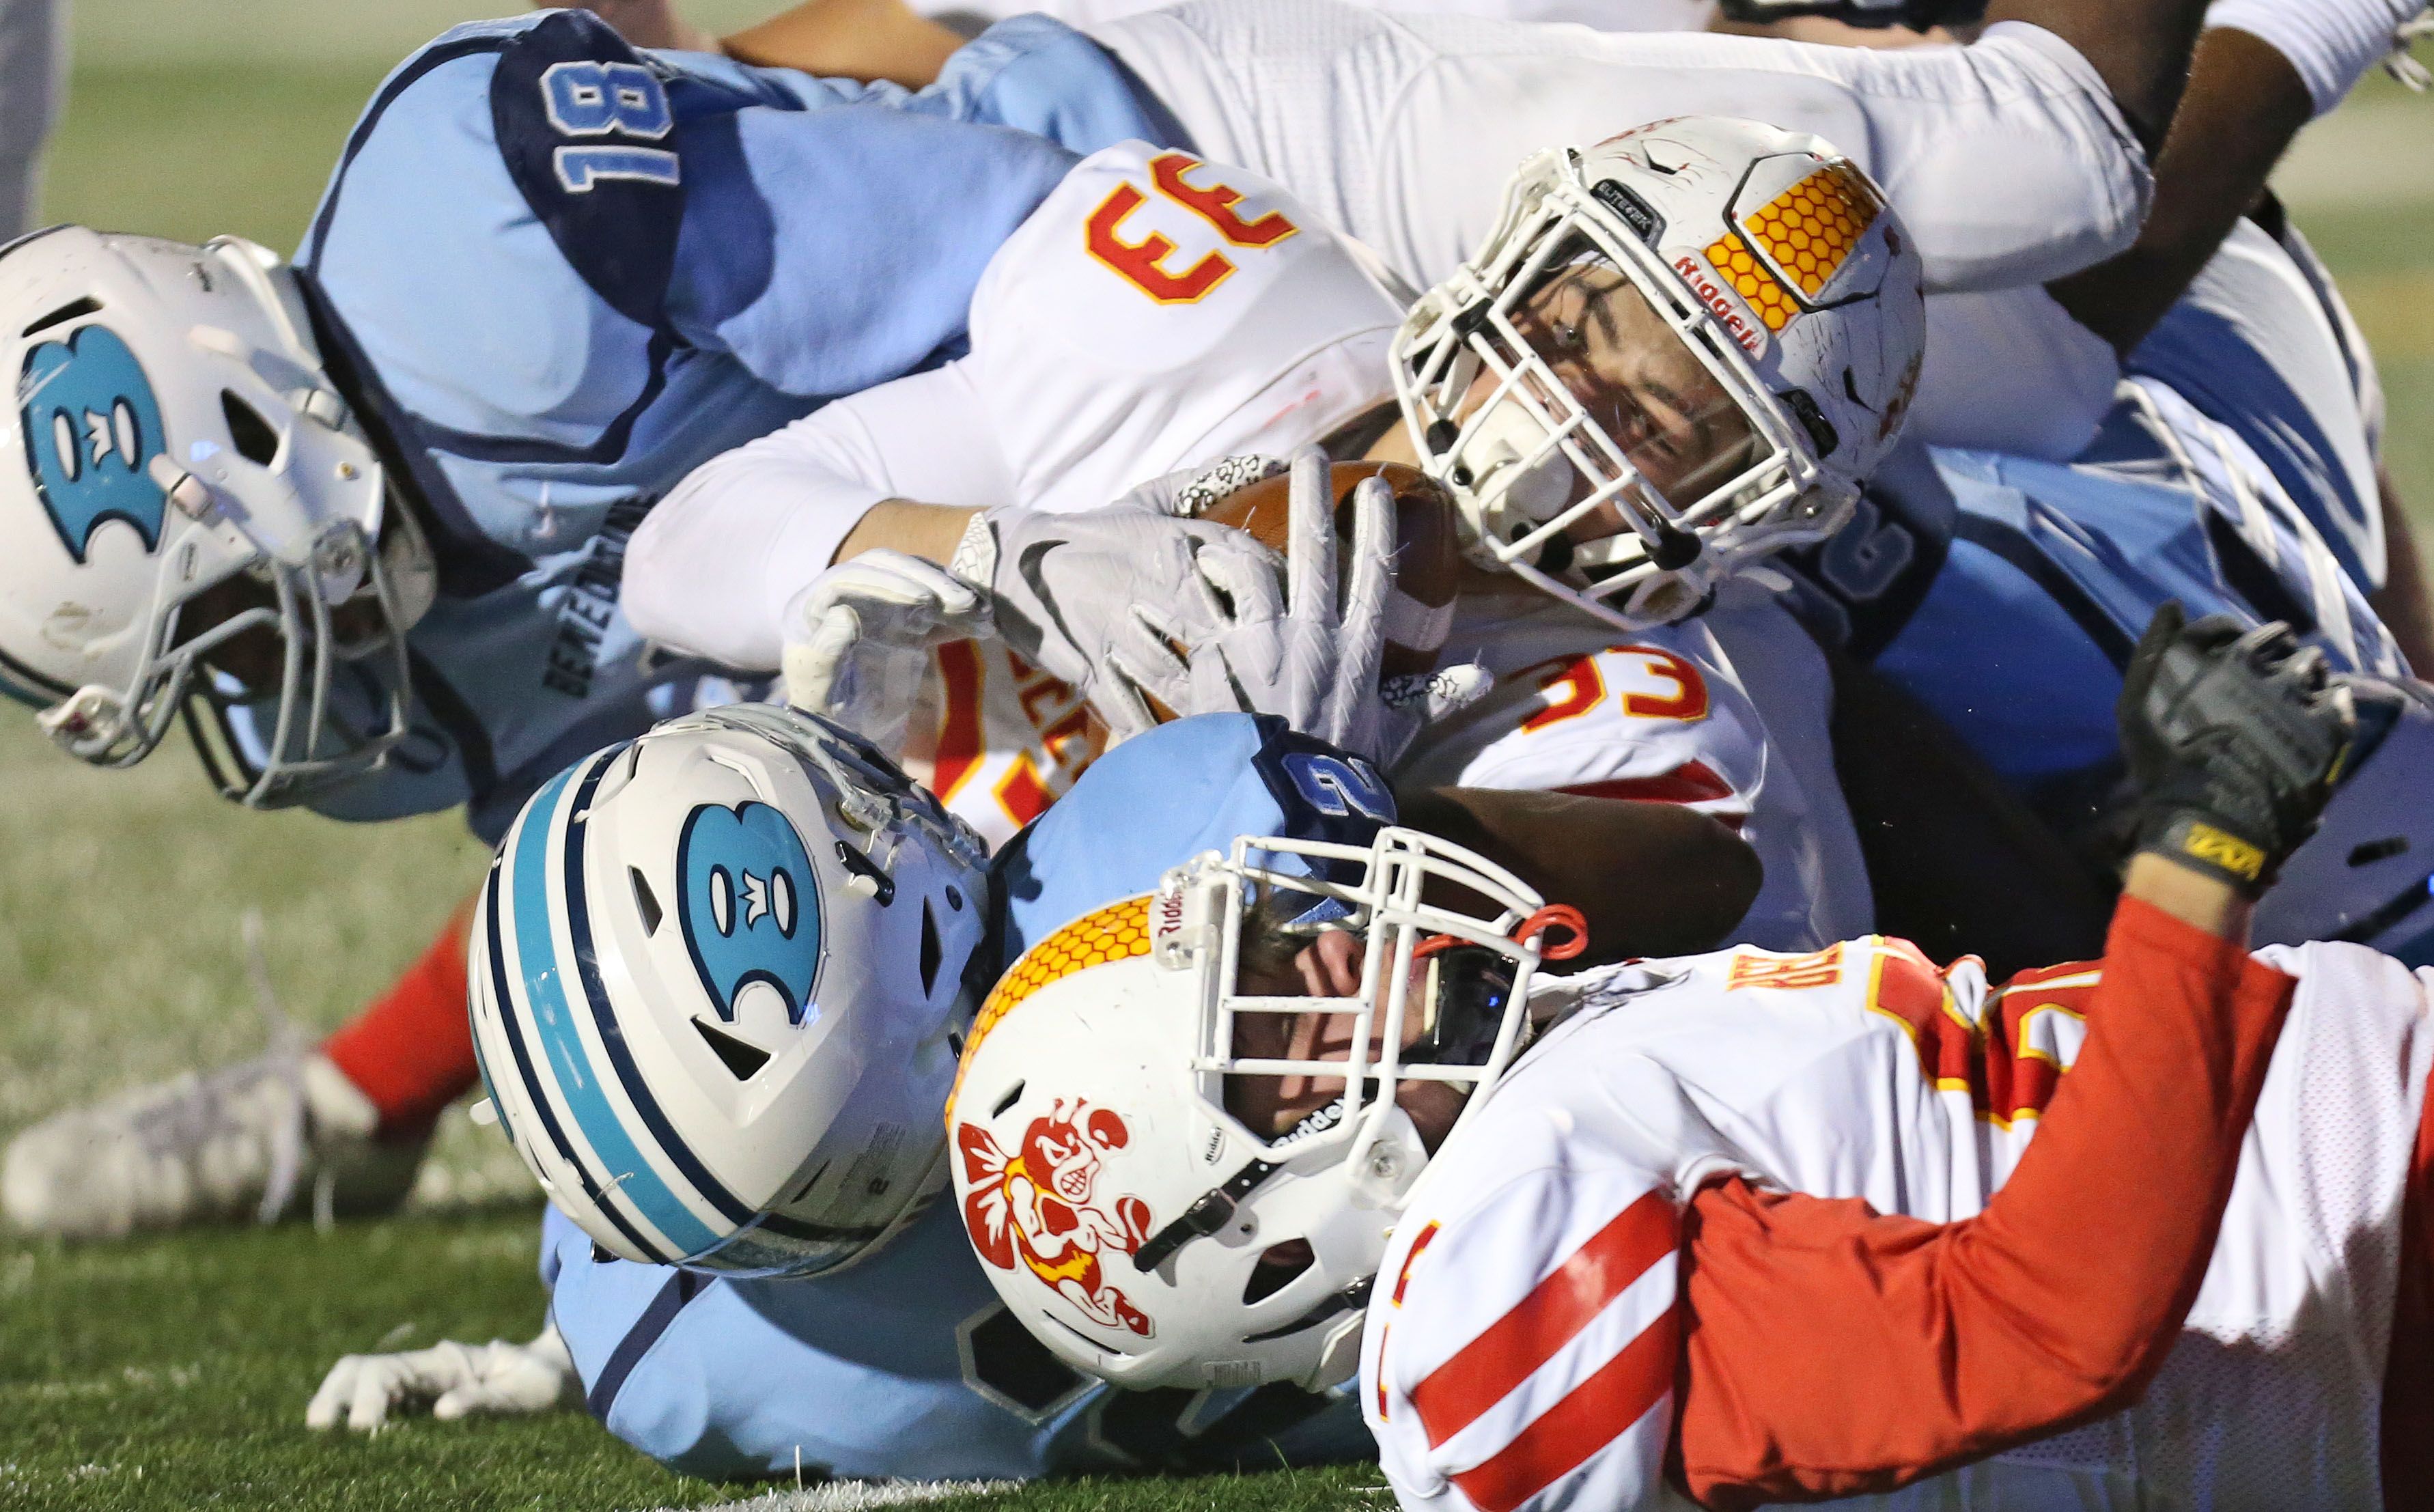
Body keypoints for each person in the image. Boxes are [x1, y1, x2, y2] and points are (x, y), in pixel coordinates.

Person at [0, 6, 1240, 1240]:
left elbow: (1034, 226)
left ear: (247, 434)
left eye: (222, 622)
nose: (247, 687)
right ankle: (362, 1095)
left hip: (1195, 188)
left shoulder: (477, 244)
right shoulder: (368, 709)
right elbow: (705, 827)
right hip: (1031, 549)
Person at [946, 604, 2434, 1508]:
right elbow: (2047, 1327)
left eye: (1275, 948)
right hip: (2385, 1282)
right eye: (1268, 1018)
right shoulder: (1489, 1297)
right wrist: (2199, 857)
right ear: (1255, 1227)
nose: (1328, 950)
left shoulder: (1547, 1079)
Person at [307, 688, 1760, 1469]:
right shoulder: (1163, 839)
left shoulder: (683, 1358)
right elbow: (1702, 877)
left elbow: (635, 1276)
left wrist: (566, 1358)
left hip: (1519, 1370)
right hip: (1653, 1167)